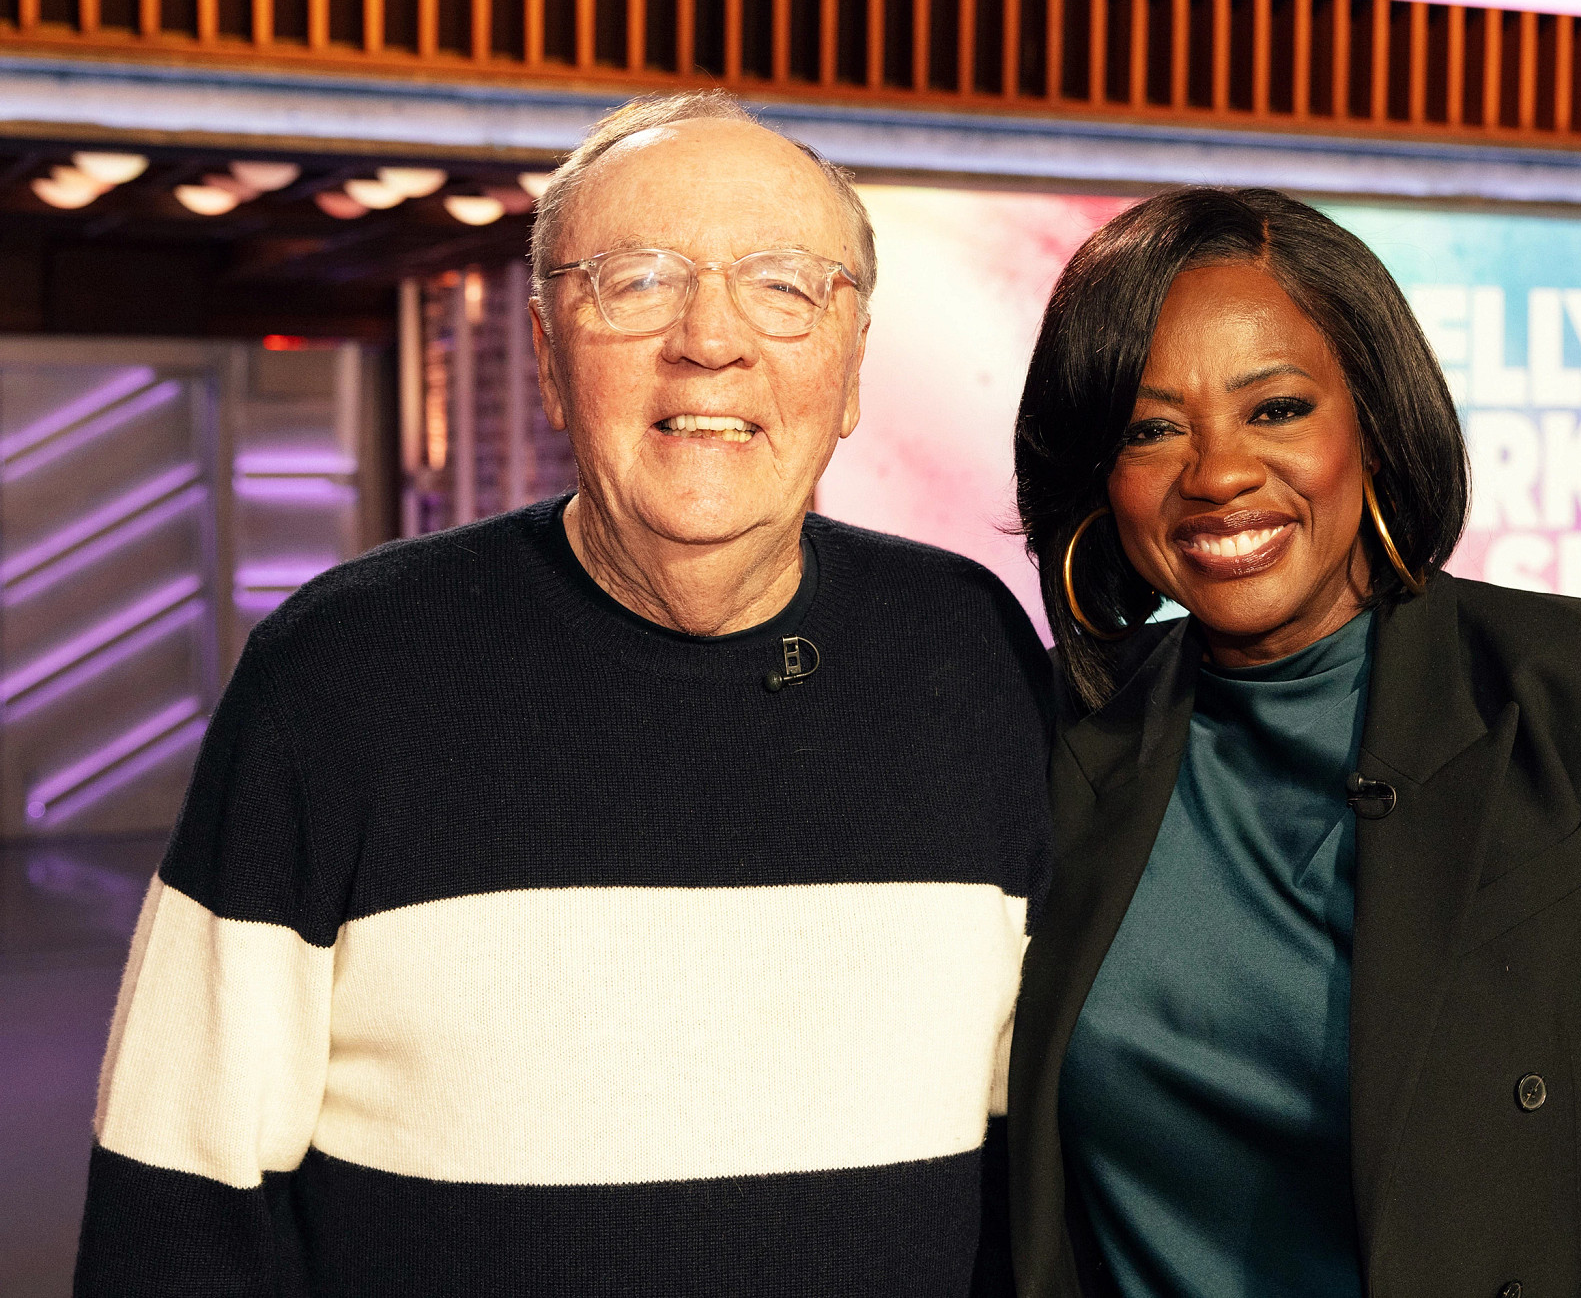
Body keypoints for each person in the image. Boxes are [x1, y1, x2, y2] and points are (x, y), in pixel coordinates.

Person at [74, 89, 1049, 1297]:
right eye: (635, 282)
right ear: (545, 356)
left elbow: (1037, 1168)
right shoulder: (339, 674)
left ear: (849, 369)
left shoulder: (970, 653)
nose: (710, 339)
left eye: (784, 287)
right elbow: (177, 1198)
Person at [1006, 187, 1581, 1298]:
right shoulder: (1050, 736)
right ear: (1100, 477)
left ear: (1372, 419)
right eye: (1150, 428)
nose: (1217, 473)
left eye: (1275, 408)